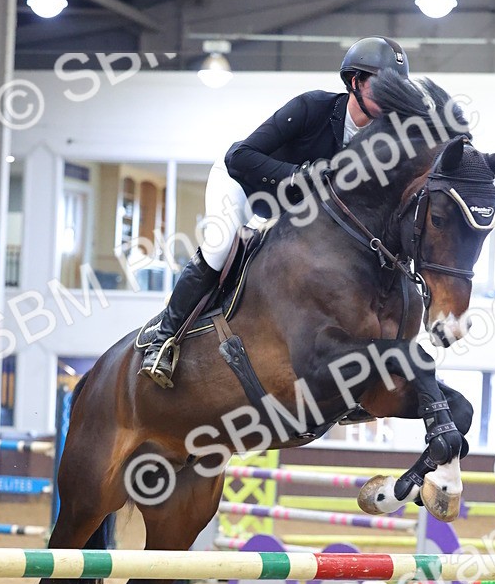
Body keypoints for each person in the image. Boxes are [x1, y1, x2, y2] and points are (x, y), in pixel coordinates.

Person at [138, 36, 410, 387]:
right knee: (221, 246)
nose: (393, 97)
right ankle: (164, 338)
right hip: (242, 186)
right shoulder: (312, 107)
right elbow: (240, 155)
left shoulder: (382, 142)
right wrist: (299, 176)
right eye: (384, 86)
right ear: (355, 82)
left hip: (289, 212)